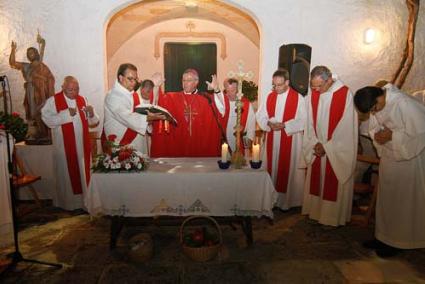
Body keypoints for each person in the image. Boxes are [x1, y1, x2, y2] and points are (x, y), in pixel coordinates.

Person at [354, 84, 425, 257]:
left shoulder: (405, 103)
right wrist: (377, 135)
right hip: (390, 158)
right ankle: (383, 237)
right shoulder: (378, 103)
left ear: (379, 97)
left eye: (374, 108)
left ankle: (400, 241)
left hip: (409, 162)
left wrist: (393, 136)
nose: (374, 112)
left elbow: (421, 132)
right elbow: (374, 127)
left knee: (403, 201)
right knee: (387, 200)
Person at [302, 66, 358, 226]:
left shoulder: (345, 94)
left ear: (329, 80)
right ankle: (315, 212)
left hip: (335, 149)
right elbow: (309, 122)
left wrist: (327, 146)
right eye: (313, 86)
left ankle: (331, 218)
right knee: (316, 180)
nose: (316, 90)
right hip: (317, 145)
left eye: (320, 86)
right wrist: (314, 142)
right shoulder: (314, 93)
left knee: (332, 182)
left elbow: (347, 128)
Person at [41, 76, 99, 210]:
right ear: (62, 88)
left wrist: (91, 114)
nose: (73, 93)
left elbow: (93, 122)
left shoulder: (82, 100)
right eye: (70, 90)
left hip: (82, 146)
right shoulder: (53, 101)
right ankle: (68, 204)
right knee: (66, 175)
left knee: (83, 173)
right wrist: (66, 114)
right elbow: (47, 119)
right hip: (64, 148)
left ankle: (85, 202)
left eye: (76, 89)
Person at [256, 69, 307, 210]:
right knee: (272, 167)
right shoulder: (269, 97)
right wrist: (268, 123)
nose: (276, 88)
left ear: (287, 82)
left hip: (291, 138)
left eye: (279, 85)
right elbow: (260, 115)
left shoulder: (298, 98)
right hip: (273, 137)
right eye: (274, 85)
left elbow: (304, 120)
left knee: (288, 169)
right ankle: (271, 199)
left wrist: (285, 125)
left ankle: (288, 201)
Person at [150, 68, 225, 157]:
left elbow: (221, 110)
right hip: (179, 144)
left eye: (189, 80)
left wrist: (216, 90)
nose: (185, 83)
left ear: (196, 82)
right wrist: (156, 87)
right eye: (183, 80)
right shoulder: (173, 98)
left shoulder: (205, 98)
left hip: (199, 144)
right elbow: (158, 105)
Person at [103, 63, 164, 155]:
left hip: (138, 143)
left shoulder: (134, 95)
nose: (134, 82)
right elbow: (127, 117)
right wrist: (149, 118)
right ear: (120, 78)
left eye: (135, 79)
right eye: (130, 79)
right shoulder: (112, 96)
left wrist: (150, 119)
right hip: (122, 144)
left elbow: (142, 112)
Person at [9, 34, 55, 144]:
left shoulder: (41, 65)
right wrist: (13, 49)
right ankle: (36, 133)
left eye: (32, 52)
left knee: (41, 110)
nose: (30, 54)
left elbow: (50, 78)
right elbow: (12, 63)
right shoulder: (26, 66)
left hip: (39, 91)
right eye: (28, 53)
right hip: (30, 90)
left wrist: (42, 42)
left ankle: (43, 134)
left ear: (36, 53)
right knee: (32, 112)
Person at [221, 78, 256, 155]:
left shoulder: (246, 104)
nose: (229, 94)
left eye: (232, 90)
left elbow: (251, 123)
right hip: (224, 139)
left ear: (238, 90)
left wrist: (248, 140)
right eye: (227, 91)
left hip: (239, 139)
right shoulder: (222, 103)